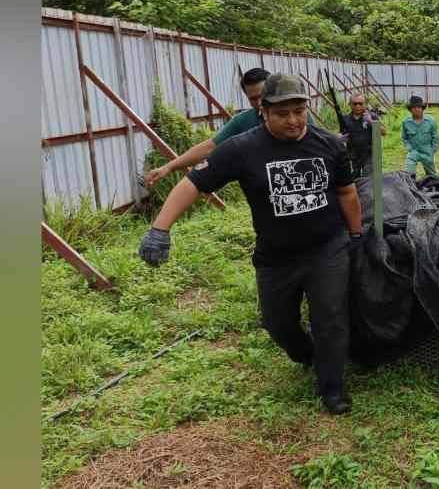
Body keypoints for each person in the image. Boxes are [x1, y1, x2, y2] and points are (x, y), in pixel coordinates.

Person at [137, 73, 362, 415]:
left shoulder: (328, 144)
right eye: (282, 113)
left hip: (326, 249)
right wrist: (160, 228)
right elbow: (193, 184)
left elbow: (347, 193)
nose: (293, 120)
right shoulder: (242, 149)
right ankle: (308, 354)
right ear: (264, 112)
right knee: (277, 322)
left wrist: (357, 235)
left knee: (330, 319)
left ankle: (332, 388)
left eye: (299, 111)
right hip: (276, 257)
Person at [143, 68, 272, 187]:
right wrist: (169, 167)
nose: (260, 102)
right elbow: (209, 147)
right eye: (253, 99)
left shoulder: (291, 117)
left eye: (263, 95)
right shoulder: (243, 121)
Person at [341, 93, 386, 179]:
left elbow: (383, 132)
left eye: (360, 103)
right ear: (350, 104)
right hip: (352, 155)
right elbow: (342, 134)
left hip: (369, 154)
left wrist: (370, 122)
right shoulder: (345, 119)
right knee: (354, 179)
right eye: (355, 104)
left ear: (365, 104)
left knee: (368, 180)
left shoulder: (372, 116)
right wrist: (340, 138)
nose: (358, 106)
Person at [401, 95, 439, 177]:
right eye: (414, 107)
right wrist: (409, 148)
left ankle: (432, 187)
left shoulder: (431, 121)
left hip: (427, 151)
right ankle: (411, 187)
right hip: (413, 151)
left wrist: (432, 151)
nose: (417, 109)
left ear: (422, 108)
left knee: (432, 176)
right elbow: (404, 138)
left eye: (419, 107)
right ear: (410, 110)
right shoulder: (406, 122)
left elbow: (436, 138)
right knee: (408, 174)